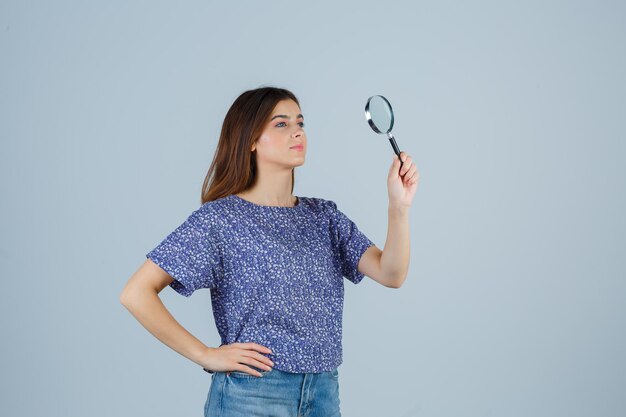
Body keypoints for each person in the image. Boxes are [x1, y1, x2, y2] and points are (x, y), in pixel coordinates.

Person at [119, 86, 420, 417]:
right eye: (281, 124)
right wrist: (205, 354)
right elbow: (136, 293)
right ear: (250, 140)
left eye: (300, 123)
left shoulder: (323, 216)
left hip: (323, 391)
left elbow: (391, 274)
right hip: (253, 394)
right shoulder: (221, 219)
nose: (297, 132)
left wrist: (399, 205)